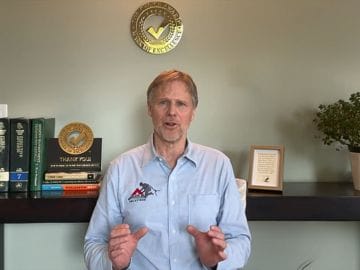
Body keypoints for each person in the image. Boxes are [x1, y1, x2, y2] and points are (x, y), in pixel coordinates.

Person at [84, 70, 251, 270]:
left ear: (193, 112)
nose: (172, 112)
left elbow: (241, 241)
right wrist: (114, 263)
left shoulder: (218, 165)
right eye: (163, 102)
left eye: (181, 104)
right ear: (149, 109)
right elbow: (93, 243)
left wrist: (217, 260)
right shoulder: (120, 168)